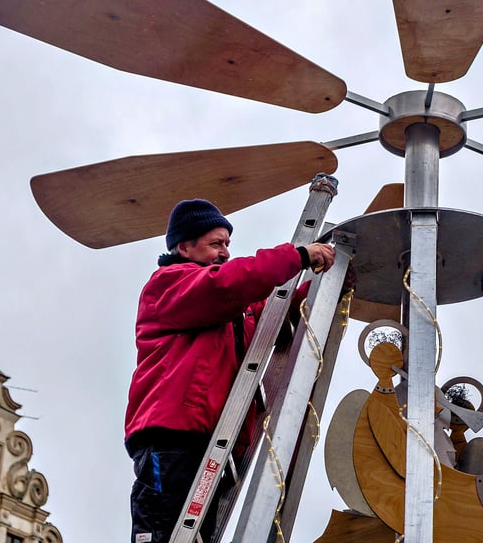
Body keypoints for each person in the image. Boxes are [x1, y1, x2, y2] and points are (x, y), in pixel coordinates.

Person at [125, 198, 335, 543]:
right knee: (164, 531)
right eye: (216, 244)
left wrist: (323, 286)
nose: (224, 252)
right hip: (172, 439)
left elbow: (270, 313)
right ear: (184, 246)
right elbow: (227, 284)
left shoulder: (231, 310)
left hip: (210, 442)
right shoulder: (169, 286)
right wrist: (297, 257)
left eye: (227, 244)